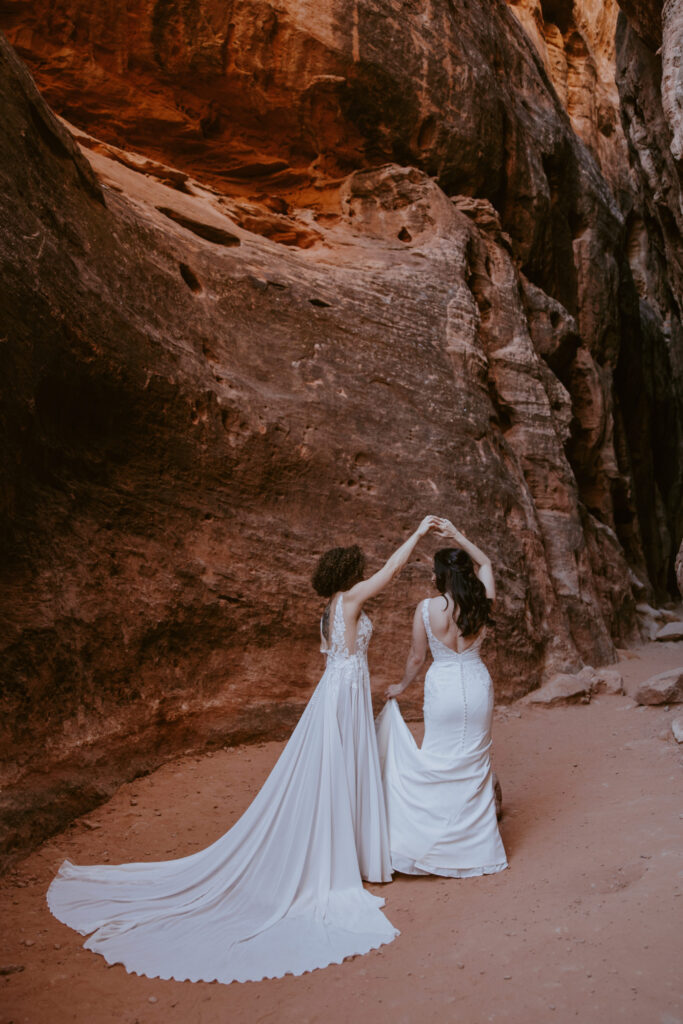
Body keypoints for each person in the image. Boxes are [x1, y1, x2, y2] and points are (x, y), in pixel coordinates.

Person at [47, 515, 440, 984]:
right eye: (359, 567)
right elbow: (391, 573)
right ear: (348, 573)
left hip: (337, 690)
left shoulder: (327, 611)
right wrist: (417, 534)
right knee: (336, 770)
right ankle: (333, 864)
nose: (364, 572)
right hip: (342, 695)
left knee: (330, 773)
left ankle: (340, 853)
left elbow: (336, 657)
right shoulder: (351, 599)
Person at [376, 518, 508, 878]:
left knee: (437, 760)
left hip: (443, 688)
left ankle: (430, 842)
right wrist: (456, 535)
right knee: (474, 764)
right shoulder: (481, 602)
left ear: (437, 577)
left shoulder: (426, 608)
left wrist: (402, 686)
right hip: (478, 685)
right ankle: (475, 848)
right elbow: (486, 564)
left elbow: (417, 657)